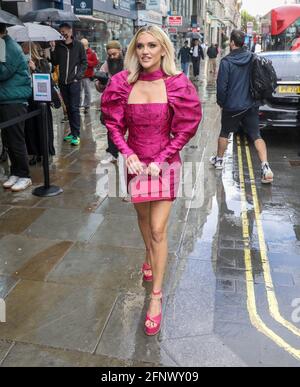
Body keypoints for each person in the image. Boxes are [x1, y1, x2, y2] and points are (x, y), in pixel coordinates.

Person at [101, 26, 202, 336]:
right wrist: (126, 152)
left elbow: (185, 128)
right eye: (140, 46)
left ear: (163, 50)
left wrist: (162, 158)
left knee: (159, 230)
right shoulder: (121, 83)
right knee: (144, 221)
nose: (145, 51)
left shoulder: (177, 84)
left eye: (152, 46)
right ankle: (149, 256)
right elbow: (113, 124)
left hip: (165, 165)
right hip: (135, 165)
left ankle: (156, 297)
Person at [211, 29, 274, 184]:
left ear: (232, 42)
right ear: (243, 43)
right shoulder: (253, 58)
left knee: (225, 132)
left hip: (232, 106)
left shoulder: (226, 62)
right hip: (251, 105)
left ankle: (219, 160)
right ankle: (266, 167)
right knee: (256, 135)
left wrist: (222, 103)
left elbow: (221, 88)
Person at [0, 23, 32, 192]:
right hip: (5, 98)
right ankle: (15, 172)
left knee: (16, 139)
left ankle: (25, 175)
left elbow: (4, 72)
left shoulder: (9, 46)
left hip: (14, 100)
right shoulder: (2, 45)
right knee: (8, 139)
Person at [50, 23, 87, 147]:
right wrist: (53, 48)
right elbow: (55, 62)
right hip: (62, 83)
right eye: (61, 31)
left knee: (74, 108)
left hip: (74, 82)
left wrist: (78, 77)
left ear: (70, 31)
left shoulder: (79, 45)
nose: (63, 33)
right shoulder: (59, 46)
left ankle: (76, 135)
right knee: (67, 109)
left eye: (65, 31)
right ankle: (72, 132)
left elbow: (84, 62)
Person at [22, 42, 55, 165]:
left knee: (41, 126)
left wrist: (35, 69)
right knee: (30, 128)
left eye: (24, 48)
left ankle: (44, 151)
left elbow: (45, 79)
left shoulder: (43, 62)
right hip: (29, 98)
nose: (23, 50)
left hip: (41, 100)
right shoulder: (24, 62)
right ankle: (34, 152)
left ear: (31, 49)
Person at [98, 40, 124, 165]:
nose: (112, 57)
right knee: (111, 129)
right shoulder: (105, 65)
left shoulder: (128, 64)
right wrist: (101, 82)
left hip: (127, 101)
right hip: (111, 102)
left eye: (114, 54)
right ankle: (113, 153)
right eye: (110, 55)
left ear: (120, 51)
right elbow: (98, 86)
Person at [80, 38, 99, 114]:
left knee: (87, 91)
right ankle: (78, 105)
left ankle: (86, 106)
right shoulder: (79, 52)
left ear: (87, 45)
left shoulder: (92, 53)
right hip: (79, 75)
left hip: (87, 76)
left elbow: (95, 63)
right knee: (78, 92)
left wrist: (87, 62)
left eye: (84, 45)